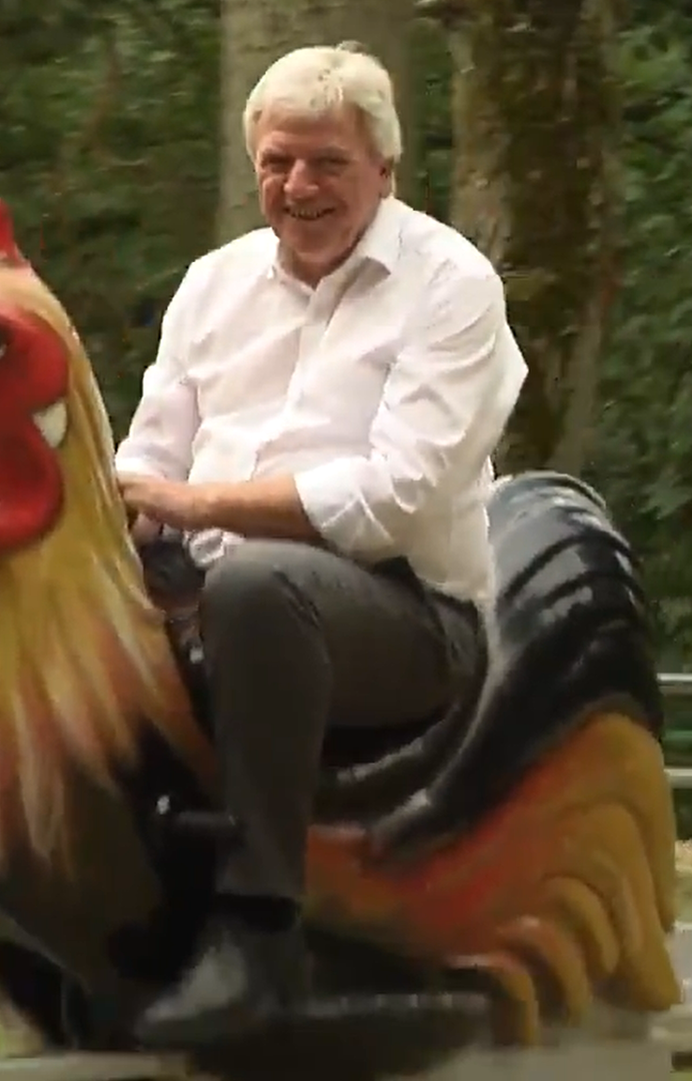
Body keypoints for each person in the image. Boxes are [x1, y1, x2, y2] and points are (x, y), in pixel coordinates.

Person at [111, 42, 528, 1047]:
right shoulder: (211, 285)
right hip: (211, 584)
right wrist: (107, 532)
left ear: (385, 169)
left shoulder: (452, 285)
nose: (300, 186)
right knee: (15, 601)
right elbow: (146, 457)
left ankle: (260, 936)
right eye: (278, 162)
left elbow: (393, 498)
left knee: (260, 589)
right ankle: (46, 902)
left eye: (328, 163)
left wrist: (189, 501)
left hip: (405, 614)